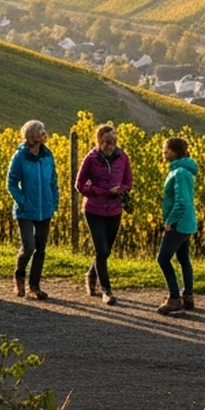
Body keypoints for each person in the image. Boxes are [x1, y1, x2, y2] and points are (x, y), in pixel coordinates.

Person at [75, 122, 132, 305]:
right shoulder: (91, 158)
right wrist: (100, 191)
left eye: (113, 141)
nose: (111, 145)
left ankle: (91, 275)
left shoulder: (123, 157)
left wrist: (120, 189)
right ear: (99, 142)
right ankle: (106, 290)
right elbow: (80, 184)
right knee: (102, 249)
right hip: (94, 209)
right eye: (107, 142)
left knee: (105, 251)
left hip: (115, 209)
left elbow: (128, 182)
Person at [7, 119, 59, 300]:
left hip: (45, 209)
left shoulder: (47, 155)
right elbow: (12, 183)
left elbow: (53, 181)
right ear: (31, 136)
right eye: (40, 131)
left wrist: (54, 202)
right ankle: (19, 276)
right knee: (29, 246)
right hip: (25, 210)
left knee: (41, 248)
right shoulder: (20, 157)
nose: (44, 133)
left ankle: (35, 286)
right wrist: (23, 201)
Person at [156, 135, 198, 315]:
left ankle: (174, 298)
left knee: (163, 258)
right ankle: (188, 296)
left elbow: (181, 201)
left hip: (178, 223)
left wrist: (169, 221)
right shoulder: (184, 171)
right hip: (187, 222)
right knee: (183, 259)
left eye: (166, 150)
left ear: (174, 152)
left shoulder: (179, 173)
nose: (163, 153)